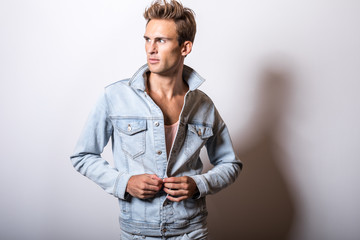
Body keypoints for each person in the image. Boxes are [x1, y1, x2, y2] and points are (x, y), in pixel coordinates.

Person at [70, 0, 242, 239]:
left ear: (185, 47)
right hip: (139, 231)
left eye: (161, 40)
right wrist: (124, 182)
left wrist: (198, 185)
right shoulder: (115, 97)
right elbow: (82, 156)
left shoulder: (202, 105)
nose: (150, 48)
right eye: (147, 39)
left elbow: (230, 164)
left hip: (191, 231)